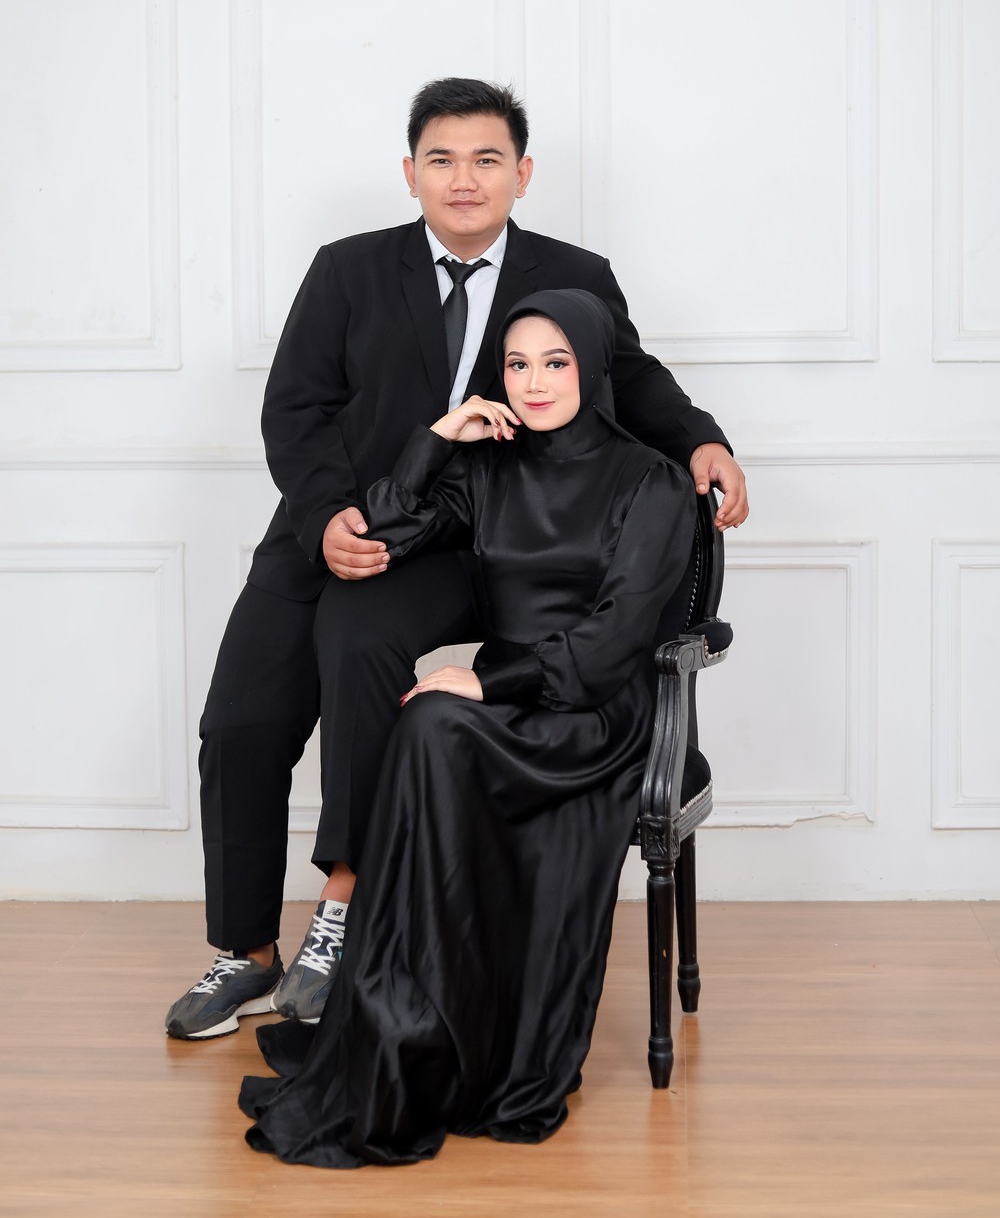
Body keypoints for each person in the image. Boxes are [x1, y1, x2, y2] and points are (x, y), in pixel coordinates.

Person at [165, 78, 748, 1041]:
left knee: (363, 647)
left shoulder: (575, 271)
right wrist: (328, 518)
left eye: (487, 159)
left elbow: (630, 376)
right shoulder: (347, 270)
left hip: (484, 542)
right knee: (239, 721)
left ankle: (346, 909)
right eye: (441, 159)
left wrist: (702, 440)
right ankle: (246, 951)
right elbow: (295, 409)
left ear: (523, 172)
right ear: (411, 174)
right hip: (348, 525)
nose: (464, 178)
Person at [239, 288, 697, 1166]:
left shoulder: (652, 480)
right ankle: (413, 1017)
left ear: (592, 367)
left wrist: (489, 679)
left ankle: (459, 1027)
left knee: (438, 722)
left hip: (593, 710)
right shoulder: (488, 468)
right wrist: (438, 439)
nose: (535, 382)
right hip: (506, 700)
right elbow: (383, 531)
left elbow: (616, 638)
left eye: (556, 362)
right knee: (429, 724)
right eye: (517, 364)